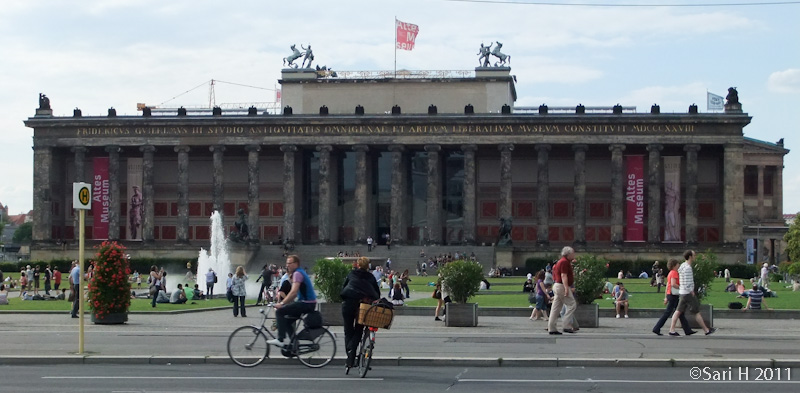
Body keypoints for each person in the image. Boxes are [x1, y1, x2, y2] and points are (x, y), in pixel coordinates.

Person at [267, 255, 317, 347]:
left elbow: (293, 292)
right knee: (286, 321)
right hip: (308, 303)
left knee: (280, 312)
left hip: (306, 303)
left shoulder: (297, 274)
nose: (287, 265)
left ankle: (280, 339)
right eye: (287, 263)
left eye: (290, 263)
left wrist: (281, 303)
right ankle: (295, 345)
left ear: (296, 264)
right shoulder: (299, 272)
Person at [340, 256, 380, 368]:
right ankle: (352, 355)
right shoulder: (371, 277)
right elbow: (377, 293)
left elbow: (344, 288)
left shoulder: (351, 274)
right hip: (363, 306)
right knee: (358, 330)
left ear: (358, 265)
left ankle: (350, 355)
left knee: (348, 330)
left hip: (348, 304)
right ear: (368, 266)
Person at [668, 250, 717, 336]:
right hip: (687, 293)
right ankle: (706, 330)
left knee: (678, 311)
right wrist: (691, 291)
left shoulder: (682, 266)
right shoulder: (688, 268)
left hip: (682, 292)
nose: (695, 257)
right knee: (696, 311)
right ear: (690, 257)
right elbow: (688, 282)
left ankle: (672, 329)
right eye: (694, 255)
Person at [652, 259, 696, 336]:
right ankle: (657, 328)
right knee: (673, 312)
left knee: (678, 312)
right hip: (673, 295)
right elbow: (673, 284)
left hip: (670, 294)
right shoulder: (674, 273)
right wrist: (682, 287)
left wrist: (666, 297)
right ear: (674, 265)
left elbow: (669, 285)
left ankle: (687, 330)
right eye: (678, 264)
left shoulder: (671, 273)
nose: (679, 265)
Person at [548, 246, 577, 335]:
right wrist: (566, 288)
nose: (574, 255)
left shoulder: (561, 261)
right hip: (561, 285)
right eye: (572, 253)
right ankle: (566, 325)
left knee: (556, 308)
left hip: (557, 285)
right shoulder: (564, 262)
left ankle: (552, 327)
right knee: (572, 304)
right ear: (568, 254)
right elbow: (563, 275)